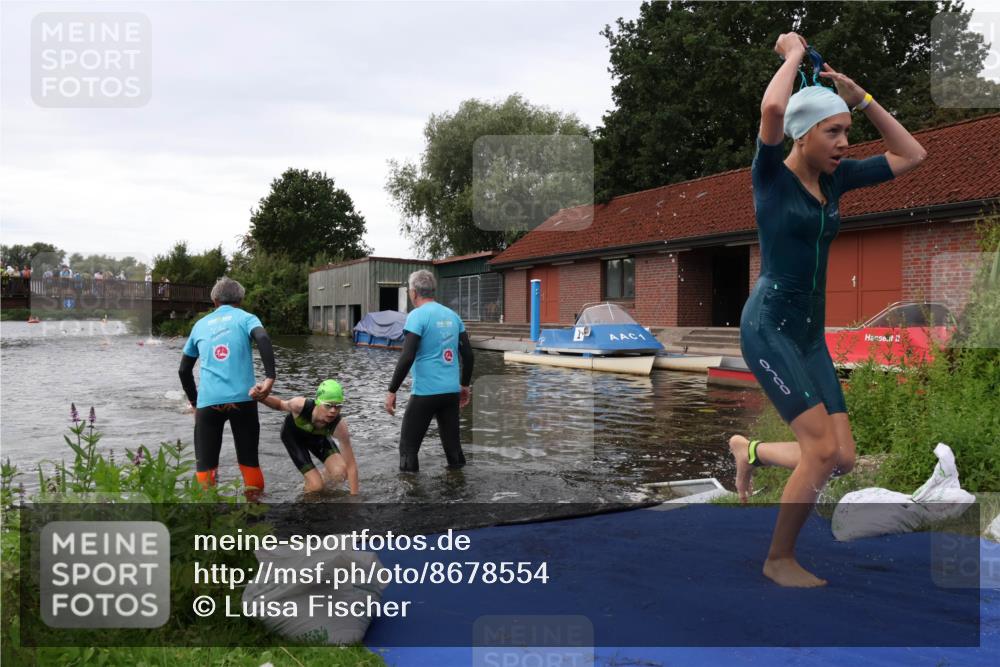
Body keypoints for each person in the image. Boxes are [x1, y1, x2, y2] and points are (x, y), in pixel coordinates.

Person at [729, 33, 927, 587]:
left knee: (840, 457)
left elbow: (913, 155)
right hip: (768, 325)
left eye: (847, 132)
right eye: (833, 131)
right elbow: (772, 106)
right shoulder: (771, 177)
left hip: (810, 333)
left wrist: (860, 98)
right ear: (802, 132)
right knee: (818, 450)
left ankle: (752, 449)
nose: (844, 142)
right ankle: (778, 559)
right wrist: (793, 53)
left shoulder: (836, 180)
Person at [178, 276, 277, 496]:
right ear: (240, 300)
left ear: (214, 301)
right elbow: (263, 338)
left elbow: (184, 370)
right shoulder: (246, 318)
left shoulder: (200, 325)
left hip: (208, 403)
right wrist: (269, 377)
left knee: (205, 468)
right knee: (250, 461)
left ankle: (208, 519)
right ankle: (255, 515)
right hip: (243, 400)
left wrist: (195, 403)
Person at [385, 270, 473, 472]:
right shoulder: (453, 316)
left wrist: (392, 390)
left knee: (408, 449)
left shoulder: (416, 316)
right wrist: (465, 386)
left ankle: (411, 496)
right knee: (453, 448)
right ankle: (458, 488)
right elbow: (468, 356)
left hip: (425, 393)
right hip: (451, 393)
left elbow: (407, 356)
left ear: (414, 292)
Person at [257, 379, 359, 494]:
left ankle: (318, 481)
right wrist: (260, 397)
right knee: (316, 487)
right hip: (293, 437)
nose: (333, 411)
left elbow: (351, 466)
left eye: (338, 406)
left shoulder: (340, 426)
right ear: (318, 402)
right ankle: (307, 496)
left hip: (317, 437)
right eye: (328, 405)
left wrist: (354, 498)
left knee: (341, 472)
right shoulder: (299, 405)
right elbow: (279, 404)